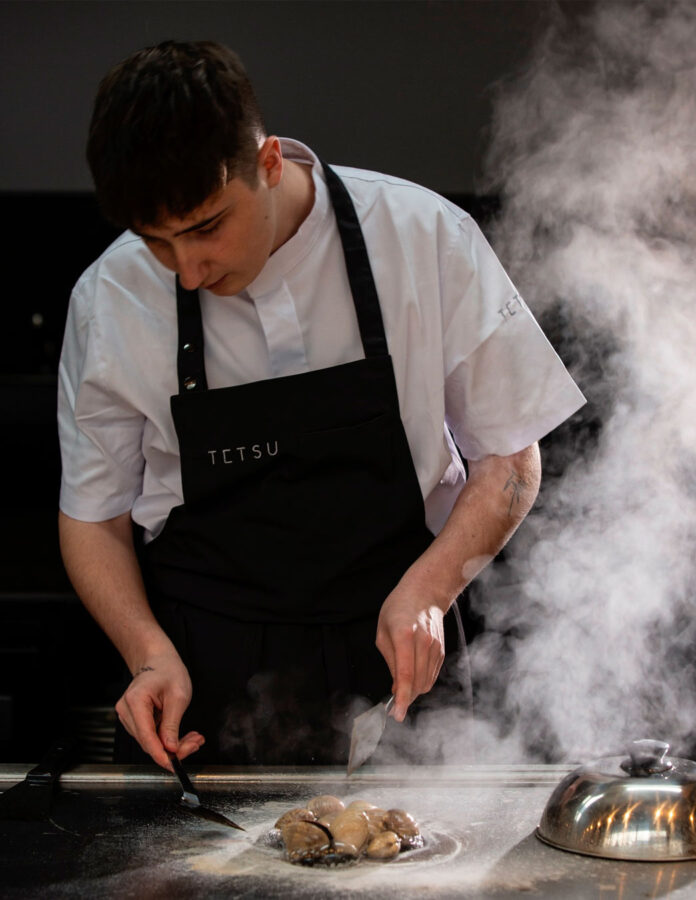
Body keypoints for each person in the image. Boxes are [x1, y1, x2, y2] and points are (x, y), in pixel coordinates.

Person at [57, 40, 585, 770]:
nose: (187, 271)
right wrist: (146, 655)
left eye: (208, 227)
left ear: (269, 162)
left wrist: (429, 595)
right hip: (205, 675)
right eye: (157, 242)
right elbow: (93, 517)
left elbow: (512, 456)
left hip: (401, 644)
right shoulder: (109, 300)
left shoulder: (424, 237)